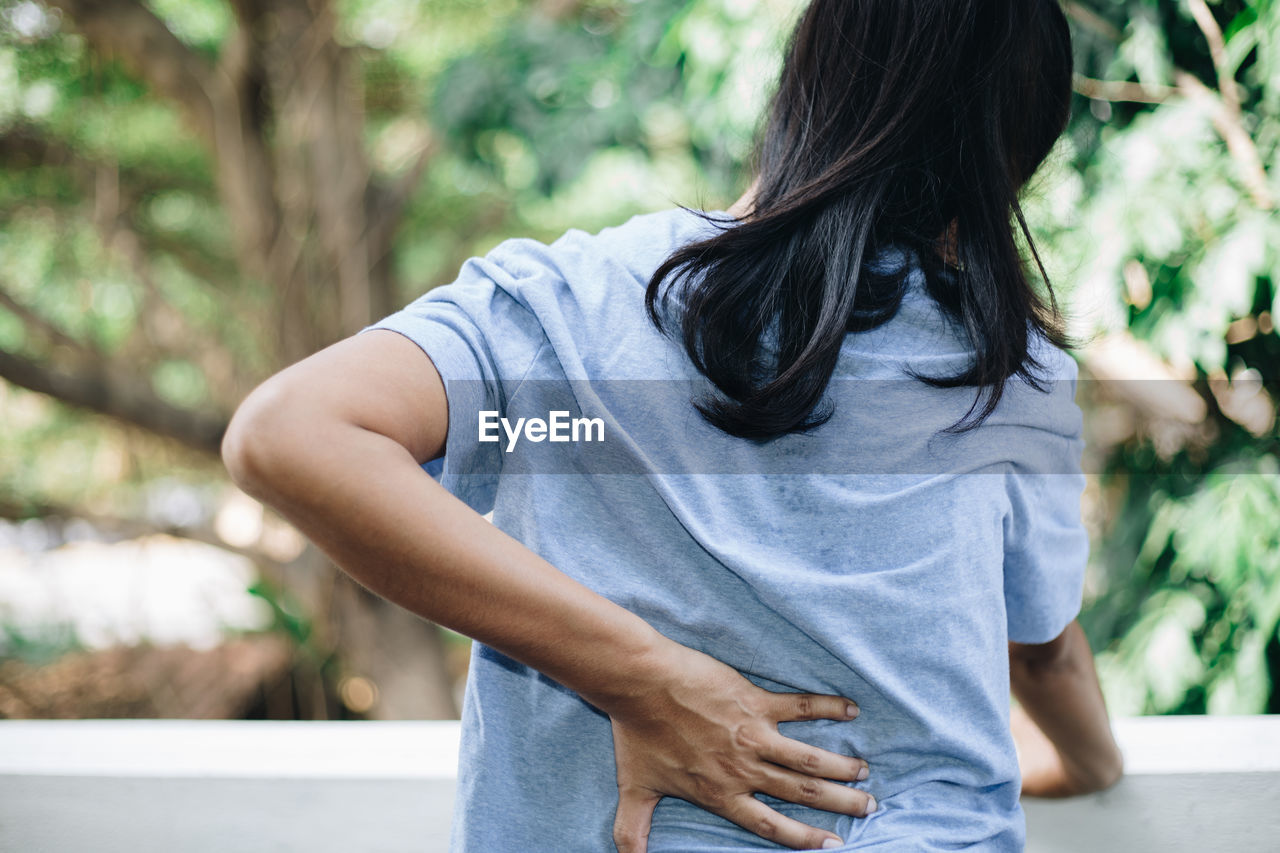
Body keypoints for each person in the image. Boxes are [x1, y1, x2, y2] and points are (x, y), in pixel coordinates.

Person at [221, 0, 1124, 850]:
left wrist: (638, 674)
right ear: (1008, 155)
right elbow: (1043, 658)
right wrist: (1091, 762)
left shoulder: (574, 307)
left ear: (802, 87)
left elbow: (295, 431)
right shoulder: (1007, 374)